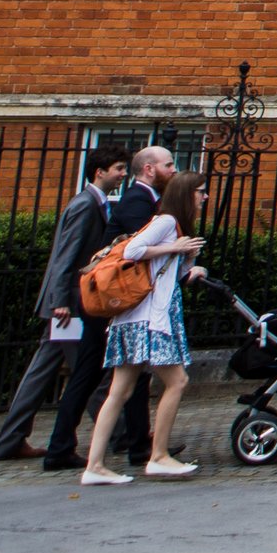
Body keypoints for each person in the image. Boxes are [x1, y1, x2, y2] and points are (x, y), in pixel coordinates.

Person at [0, 145, 132, 463]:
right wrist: (60, 302)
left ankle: (11, 440)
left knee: (43, 372)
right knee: (89, 371)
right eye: (119, 169)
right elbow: (66, 256)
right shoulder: (85, 205)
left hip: (67, 303)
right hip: (69, 305)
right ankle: (119, 435)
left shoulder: (94, 203)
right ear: (100, 172)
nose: (123, 175)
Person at [82, 169, 211, 484]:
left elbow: (168, 275)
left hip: (134, 319)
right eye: (201, 191)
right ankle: (159, 456)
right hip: (150, 320)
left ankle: (94, 466)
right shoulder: (165, 222)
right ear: (186, 194)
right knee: (177, 381)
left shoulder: (173, 227)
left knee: (119, 391)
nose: (205, 197)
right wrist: (174, 248)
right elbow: (132, 250)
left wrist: (188, 261)